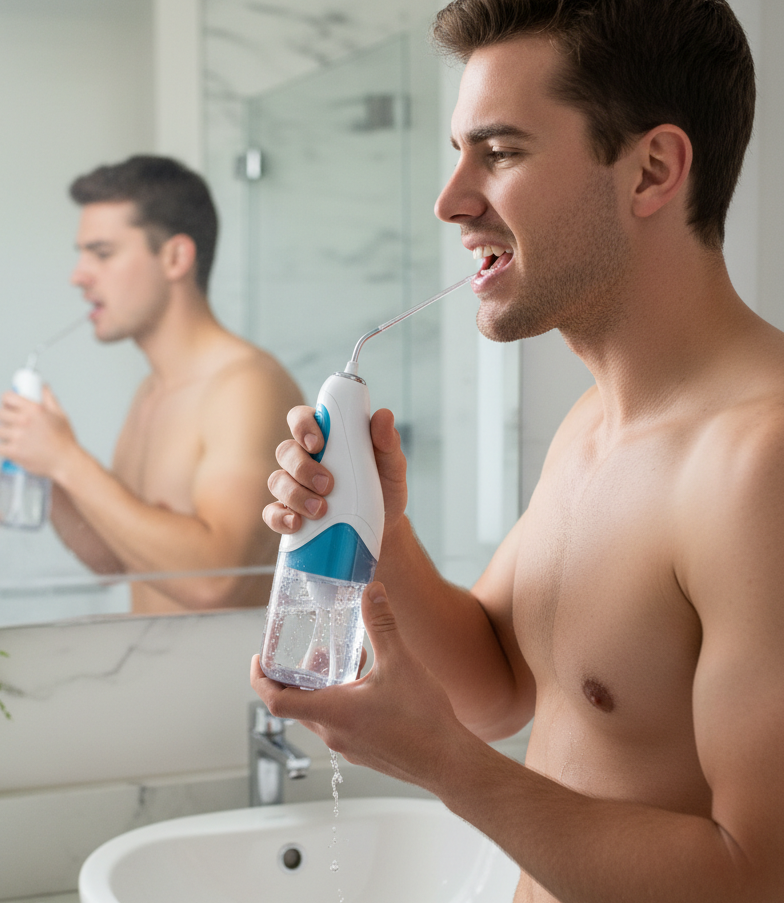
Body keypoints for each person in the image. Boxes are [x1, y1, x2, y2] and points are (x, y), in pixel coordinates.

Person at [250, 0, 784, 900]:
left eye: (499, 153)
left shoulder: (760, 465)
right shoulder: (593, 424)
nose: (451, 200)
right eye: (460, 152)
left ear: (652, 169)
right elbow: (500, 686)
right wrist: (380, 525)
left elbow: (758, 874)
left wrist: (448, 766)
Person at [0, 156, 303, 614]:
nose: (78, 276)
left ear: (175, 257)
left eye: (101, 254)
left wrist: (65, 458)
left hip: (233, 685)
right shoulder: (152, 392)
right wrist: (41, 464)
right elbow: (113, 560)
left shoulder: (245, 386)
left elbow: (215, 582)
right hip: (162, 680)